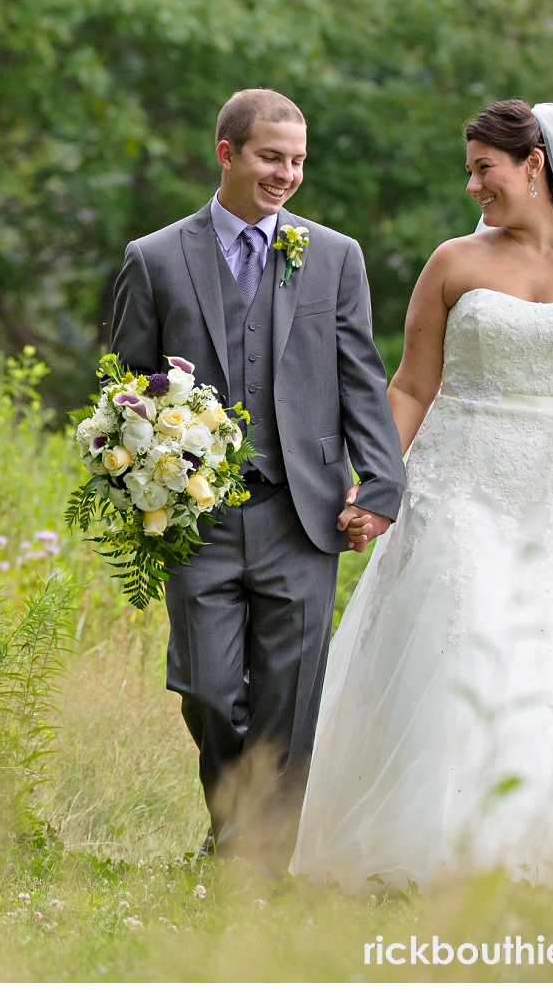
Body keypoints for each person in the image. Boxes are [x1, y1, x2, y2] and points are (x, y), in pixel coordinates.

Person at [289, 99, 553, 893]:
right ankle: (438, 849)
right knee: (460, 636)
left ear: (534, 165)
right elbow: (412, 387)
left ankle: (544, 843)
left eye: (484, 167)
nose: (472, 184)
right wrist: (375, 482)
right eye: (470, 168)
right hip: (459, 481)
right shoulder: (453, 261)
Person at [110, 88, 407, 873]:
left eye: (298, 160)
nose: (286, 174)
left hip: (302, 515)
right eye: (272, 157)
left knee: (289, 702)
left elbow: (360, 377)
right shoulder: (157, 258)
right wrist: (144, 473)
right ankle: (239, 828)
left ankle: (256, 866)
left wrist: (379, 483)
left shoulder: (334, 256)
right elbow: (125, 389)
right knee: (208, 688)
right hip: (195, 519)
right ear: (228, 154)